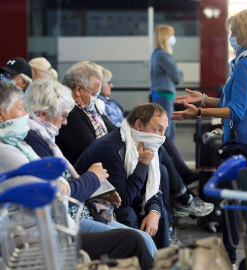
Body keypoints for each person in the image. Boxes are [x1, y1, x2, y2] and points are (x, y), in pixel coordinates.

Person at [0, 81, 154, 269]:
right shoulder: (23, 143)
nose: (65, 122)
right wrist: (92, 179)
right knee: (136, 239)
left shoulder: (29, 140)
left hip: (61, 220)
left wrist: (94, 187)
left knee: (138, 236)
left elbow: (61, 186)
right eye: (20, 109)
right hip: (46, 231)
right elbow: (53, 195)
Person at [170, 9, 247, 267]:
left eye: (233, 31)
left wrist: (199, 112)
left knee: (230, 203)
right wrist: (203, 99)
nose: (231, 36)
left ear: (245, 32)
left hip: (243, 145)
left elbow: (235, 111)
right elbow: (239, 102)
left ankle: (230, 257)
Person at [75, 103, 214, 249]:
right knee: (129, 215)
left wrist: (154, 211)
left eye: (164, 130)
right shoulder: (111, 148)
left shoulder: (150, 143)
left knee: (159, 215)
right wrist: (142, 164)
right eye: (157, 129)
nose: (162, 137)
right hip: (94, 202)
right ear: (139, 125)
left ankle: (158, 262)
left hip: (122, 195)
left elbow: (155, 187)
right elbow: (124, 200)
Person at [56, 62, 114, 165]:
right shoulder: (70, 113)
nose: (95, 98)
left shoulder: (87, 107)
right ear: (78, 90)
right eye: (93, 94)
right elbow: (90, 151)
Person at [150, 24, 183, 143]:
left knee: (169, 130)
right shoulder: (162, 54)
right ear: (164, 37)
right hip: (163, 95)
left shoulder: (157, 53)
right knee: (166, 131)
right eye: (170, 35)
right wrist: (180, 75)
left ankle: (168, 159)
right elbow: (175, 73)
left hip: (162, 95)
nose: (173, 38)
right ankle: (165, 160)